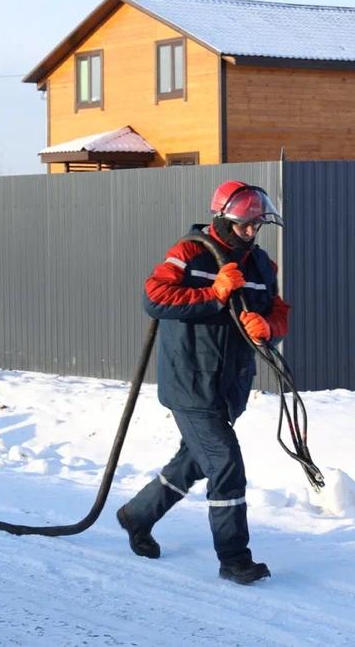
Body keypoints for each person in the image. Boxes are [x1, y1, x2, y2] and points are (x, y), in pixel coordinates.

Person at [117, 180, 291, 585]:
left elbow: (279, 312)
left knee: (194, 462)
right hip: (189, 382)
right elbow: (154, 296)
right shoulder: (190, 253)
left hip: (230, 386)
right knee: (225, 463)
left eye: (256, 226)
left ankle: (137, 515)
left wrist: (267, 326)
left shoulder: (263, 266)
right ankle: (234, 558)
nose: (251, 232)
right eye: (245, 225)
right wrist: (214, 293)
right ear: (223, 219)